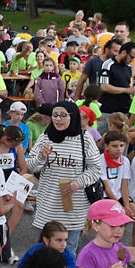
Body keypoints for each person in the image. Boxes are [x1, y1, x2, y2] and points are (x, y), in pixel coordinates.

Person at [26, 101, 103, 253]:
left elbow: (96, 169)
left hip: (74, 203)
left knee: (69, 248)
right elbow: (32, 166)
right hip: (48, 202)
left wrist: (79, 182)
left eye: (63, 115)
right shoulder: (45, 137)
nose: (58, 119)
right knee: (46, 248)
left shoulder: (85, 139)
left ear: (72, 117)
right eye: (55, 115)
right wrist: (41, 156)